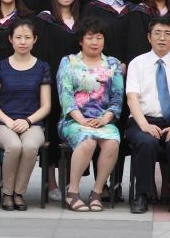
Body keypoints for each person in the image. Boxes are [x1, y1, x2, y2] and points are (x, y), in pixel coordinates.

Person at [124, 17, 170, 215]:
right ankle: (142, 195)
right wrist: (144, 125)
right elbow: (132, 97)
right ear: (149, 37)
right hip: (143, 120)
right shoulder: (137, 63)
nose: (162, 38)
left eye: (167, 34)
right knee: (146, 142)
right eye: (157, 33)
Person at [56, 19, 124, 212]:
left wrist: (105, 119)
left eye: (99, 37)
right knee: (88, 142)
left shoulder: (113, 64)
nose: (95, 42)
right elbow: (66, 96)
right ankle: (72, 192)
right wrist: (82, 120)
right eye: (90, 37)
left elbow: (117, 97)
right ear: (81, 40)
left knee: (112, 142)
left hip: (103, 120)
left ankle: (97, 192)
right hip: (73, 120)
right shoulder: (69, 62)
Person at [0, 21, 53, 211]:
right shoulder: (0, 66)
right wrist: (8, 121)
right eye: (18, 37)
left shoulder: (42, 67)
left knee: (30, 147)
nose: (23, 42)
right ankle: (7, 193)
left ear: (35, 40)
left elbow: (46, 105)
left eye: (27, 37)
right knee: (14, 146)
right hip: (3, 123)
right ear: (11, 39)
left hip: (33, 123)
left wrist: (28, 121)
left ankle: (18, 193)